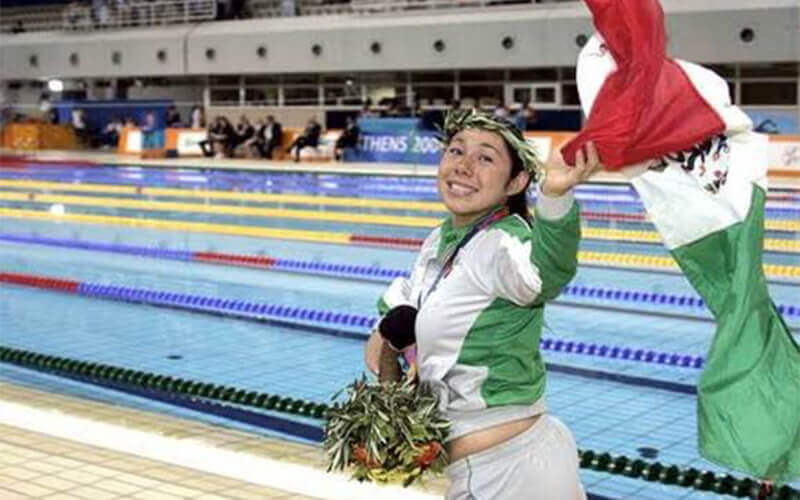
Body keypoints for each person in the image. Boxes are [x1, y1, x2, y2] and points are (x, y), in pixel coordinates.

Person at [365, 110, 602, 500]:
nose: (463, 166)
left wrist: (555, 196)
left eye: (485, 157)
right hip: (482, 474)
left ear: (517, 181)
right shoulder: (441, 240)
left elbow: (544, 276)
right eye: (456, 151)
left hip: (515, 474)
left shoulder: (503, 243)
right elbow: (384, 340)